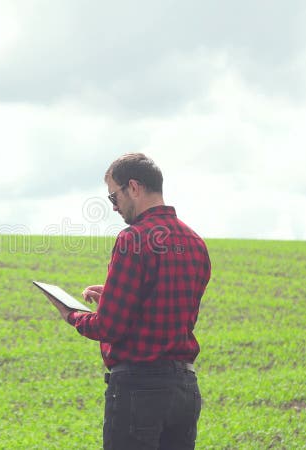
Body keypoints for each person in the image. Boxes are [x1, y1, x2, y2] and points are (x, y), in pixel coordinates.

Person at [46, 153, 211, 449]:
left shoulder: (132, 239)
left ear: (133, 187)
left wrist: (71, 314)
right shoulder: (195, 242)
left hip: (139, 388)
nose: (113, 206)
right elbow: (162, 306)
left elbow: (109, 327)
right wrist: (111, 296)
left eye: (114, 196)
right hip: (185, 389)